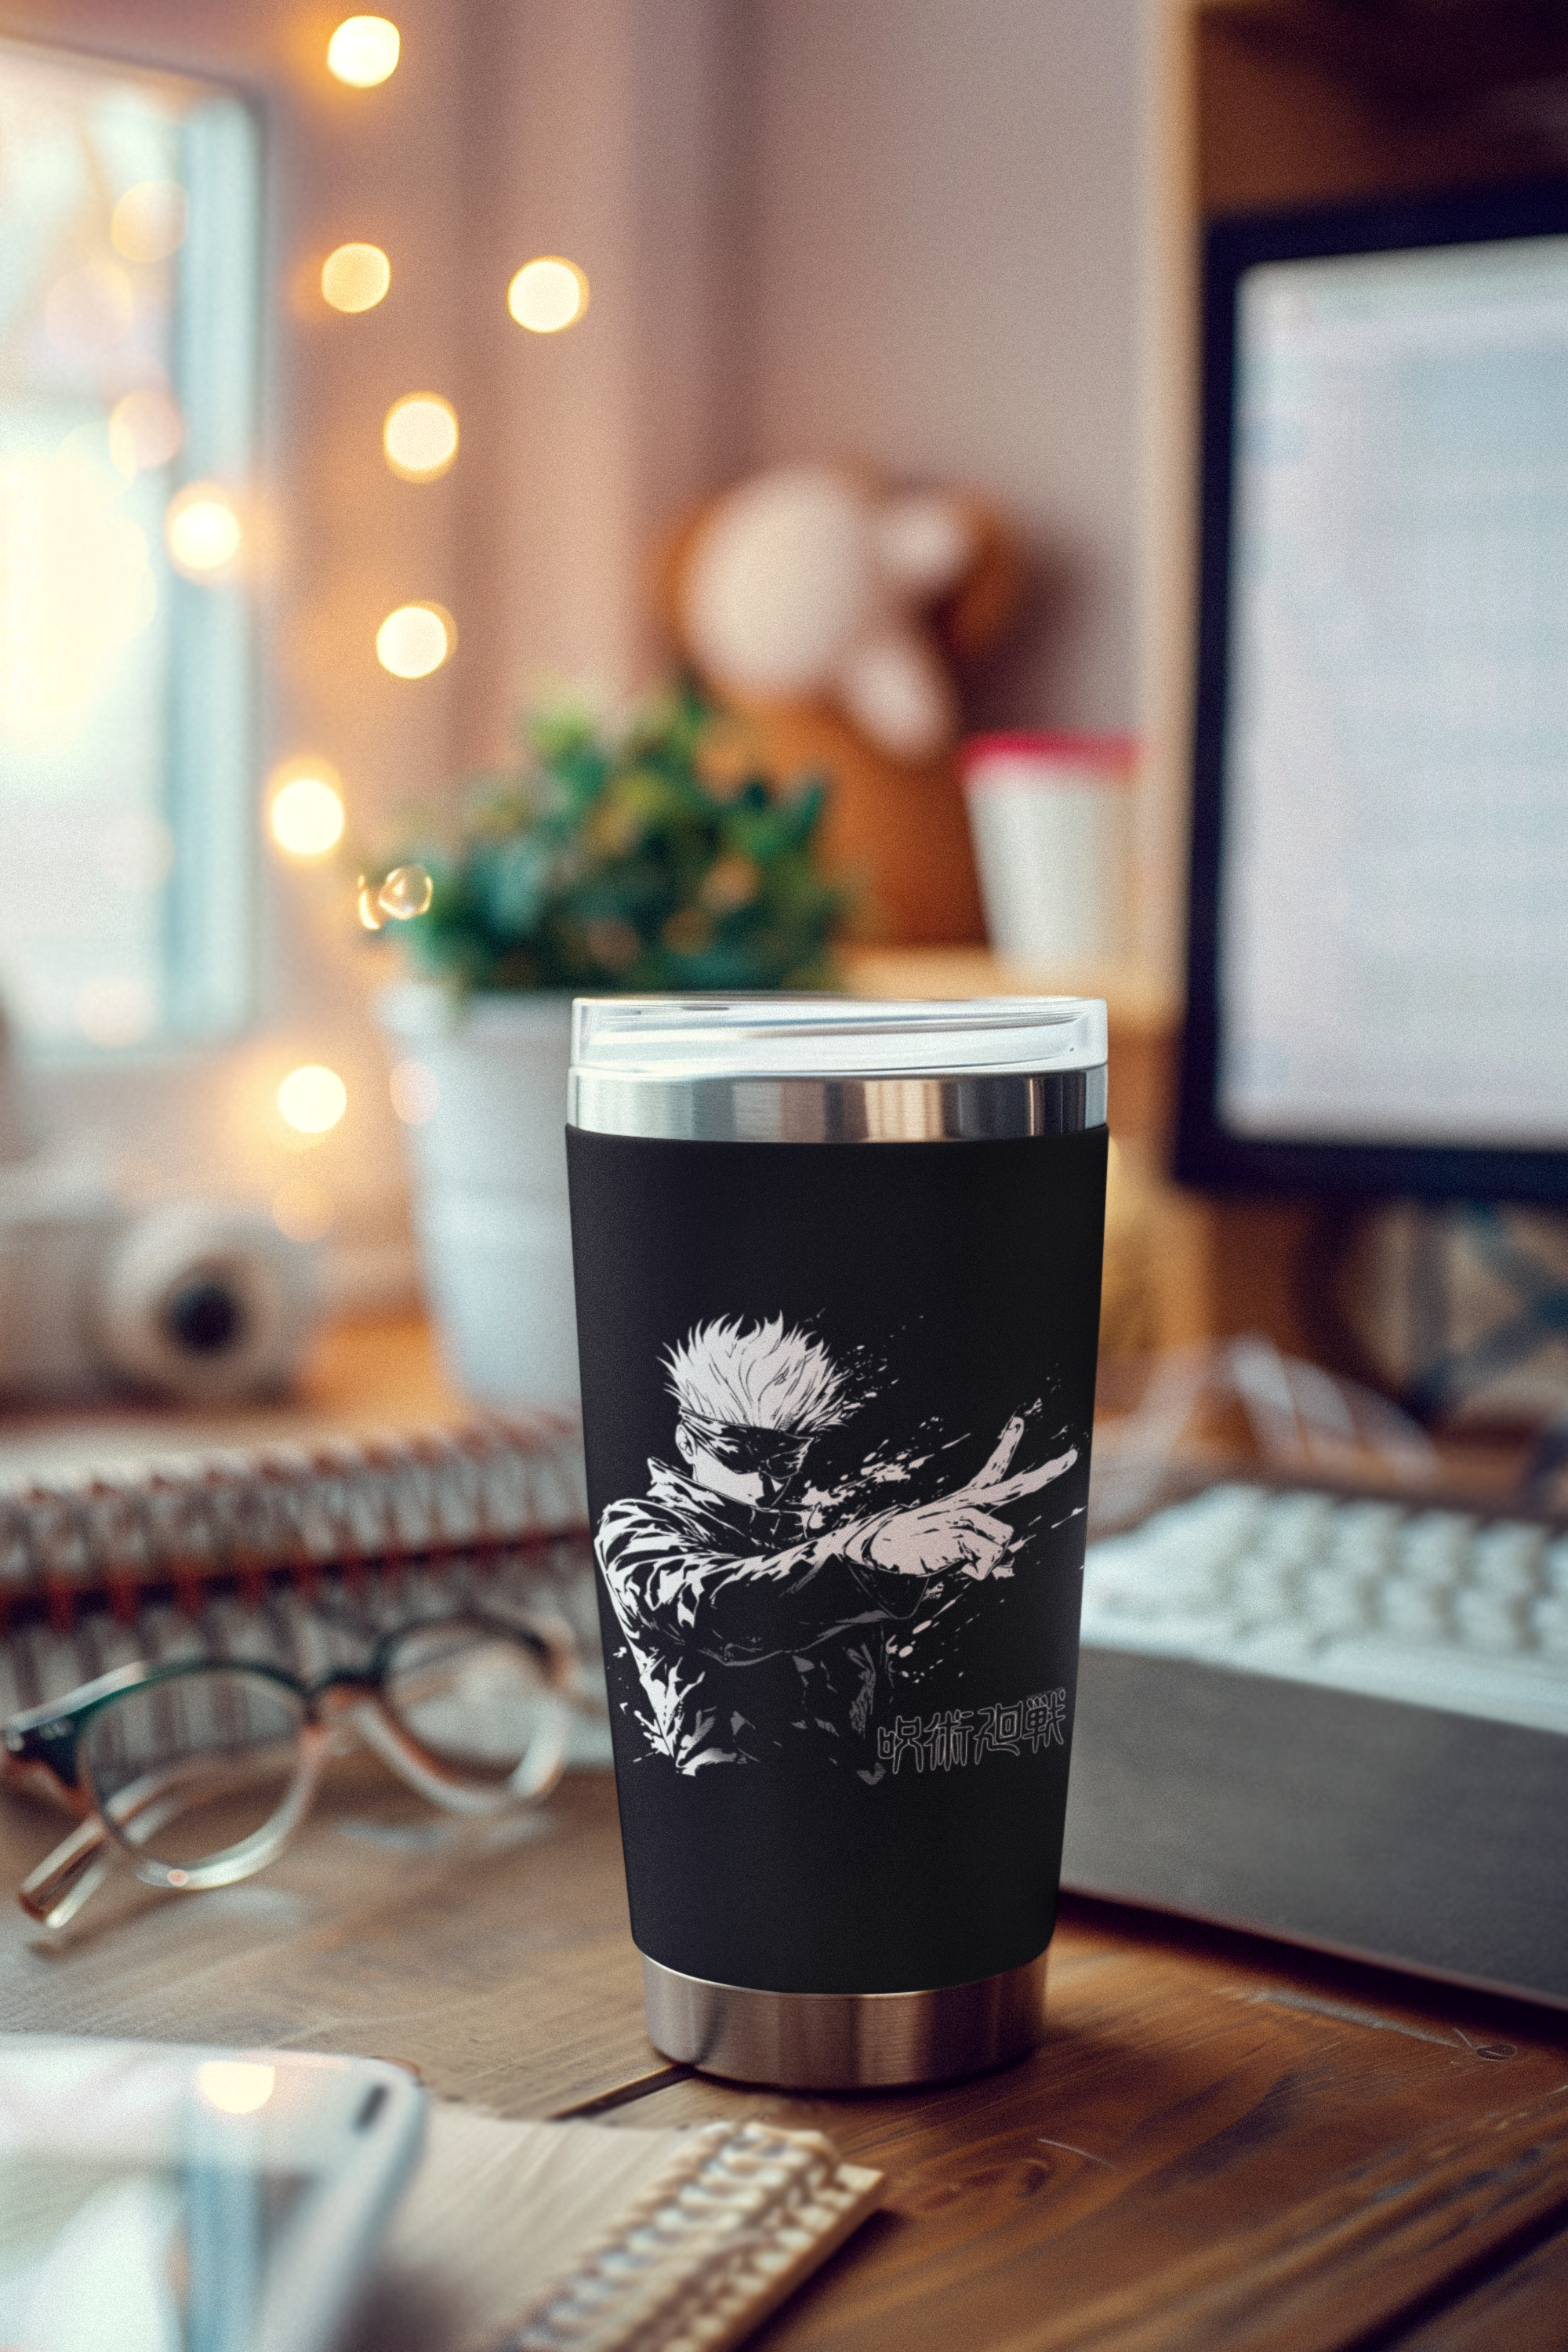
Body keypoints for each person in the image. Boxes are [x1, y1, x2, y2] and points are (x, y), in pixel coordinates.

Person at [595, 1316, 1077, 1775]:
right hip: (731, 1809)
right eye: (738, 1455)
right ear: (687, 1441)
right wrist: (865, 1552)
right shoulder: (637, 1527)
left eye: (784, 1460)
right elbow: (719, 1609)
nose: (762, 1484)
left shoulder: (814, 1536)